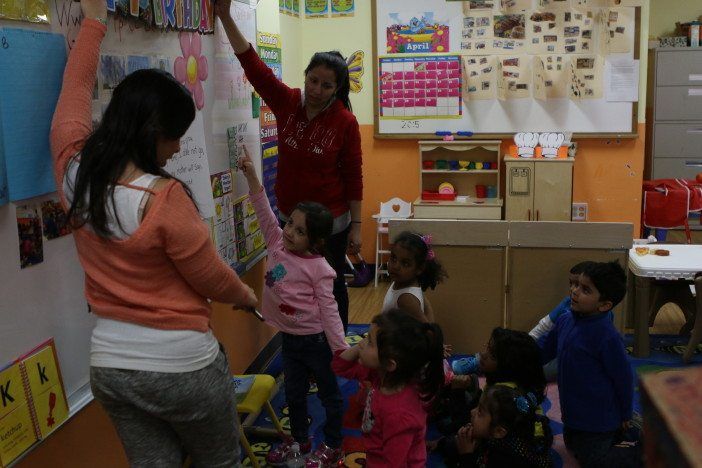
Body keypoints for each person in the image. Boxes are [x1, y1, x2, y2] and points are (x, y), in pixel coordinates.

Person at [50, 1, 258, 465]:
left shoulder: (74, 174)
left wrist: (94, 22)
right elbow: (209, 277)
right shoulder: (165, 198)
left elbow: (74, 94)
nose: (179, 147)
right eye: (175, 136)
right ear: (151, 133)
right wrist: (244, 293)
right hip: (183, 366)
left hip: (112, 369)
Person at [215, 0, 363, 333]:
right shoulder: (287, 102)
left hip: (330, 227)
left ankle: (332, 347)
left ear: (338, 89)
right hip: (290, 219)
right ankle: (298, 337)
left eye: (327, 86)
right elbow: (253, 65)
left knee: (330, 286)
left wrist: (358, 225)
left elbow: (354, 176)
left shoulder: (345, 122)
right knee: (287, 280)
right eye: (313, 81)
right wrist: (225, 16)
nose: (317, 90)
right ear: (305, 77)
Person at [238, 147, 348, 467]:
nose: (289, 232)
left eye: (300, 232)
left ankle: (334, 444)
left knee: (329, 394)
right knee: (294, 394)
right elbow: (262, 208)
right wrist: (250, 175)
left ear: (315, 242)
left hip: (316, 341)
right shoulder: (275, 240)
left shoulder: (320, 269)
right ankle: (299, 442)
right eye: (291, 224)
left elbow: (329, 311)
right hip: (290, 338)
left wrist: (340, 349)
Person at [540, 261, 641, 467]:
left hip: (599, 419)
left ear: (604, 305)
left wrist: (625, 413)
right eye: (576, 285)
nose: (574, 291)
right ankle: (632, 427)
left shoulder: (607, 336)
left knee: (595, 462)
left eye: (585, 289)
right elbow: (543, 352)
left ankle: (641, 449)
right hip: (573, 415)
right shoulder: (565, 320)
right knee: (573, 447)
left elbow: (623, 378)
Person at [332, 310, 445, 467]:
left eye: (369, 342)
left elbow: (394, 463)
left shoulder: (398, 415)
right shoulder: (382, 375)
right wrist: (362, 346)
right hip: (377, 452)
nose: (361, 343)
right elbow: (340, 366)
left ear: (390, 364)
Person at [455, 385, 553, 467]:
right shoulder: (498, 435)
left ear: (499, 431)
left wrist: (466, 456)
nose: (472, 412)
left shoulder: (502, 459)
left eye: (480, 412)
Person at [381, 231, 447, 323]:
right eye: (393, 258)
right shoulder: (402, 283)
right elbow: (428, 309)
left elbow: (427, 330)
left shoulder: (406, 299)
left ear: (419, 268)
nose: (396, 266)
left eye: (405, 263)